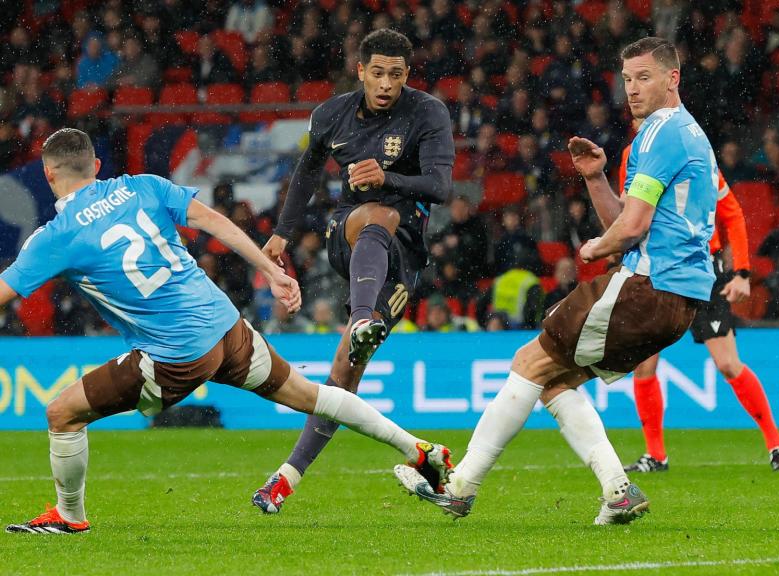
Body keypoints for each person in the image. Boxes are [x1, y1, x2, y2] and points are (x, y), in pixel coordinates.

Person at [1, 128, 452, 535]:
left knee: (63, 414)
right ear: (97, 165)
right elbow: (212, 221)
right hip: (226, 327)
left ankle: (69, 516)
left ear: (47, 174)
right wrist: (271, 272)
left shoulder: (53, 237)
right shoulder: (143, 185)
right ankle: (419, 449)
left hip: (175, 354)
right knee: (310, 395)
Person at [395, 37, 716, 525]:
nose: (632, 89)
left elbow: (628, 231)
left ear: (673, 78)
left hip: (648, 286)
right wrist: (595, 180)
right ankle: (618, 490)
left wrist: (594, 249)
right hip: (677, 300)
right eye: (627, 79)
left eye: (644, 77)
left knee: (528, 361)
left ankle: (461, 487)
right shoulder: (687, 135)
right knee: (552, 378)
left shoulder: (660, 133)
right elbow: (629, 223)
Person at [251, 29, 454, 514]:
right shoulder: (331, 114)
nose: (386, 84)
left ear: (408, 76)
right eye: (378, 73)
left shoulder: (428, 112)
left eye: (396, 75)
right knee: (375, 216)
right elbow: (306, 171)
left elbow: (442, 186)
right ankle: (363, 315)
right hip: (350, 232)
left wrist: (390, 178)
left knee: (343, 377)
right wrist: (282, 231)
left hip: (404, 258)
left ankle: (287, 479)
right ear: (361, 71)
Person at [625, 169, 779, 474]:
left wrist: (742, 272)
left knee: (728, 364)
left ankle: (777, 446)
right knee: (644, 363)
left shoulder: (699, 157)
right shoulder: (636, 152)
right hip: (658, 269)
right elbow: (630, 208)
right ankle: (656, 456)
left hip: (703, 269)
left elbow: (732, 212)